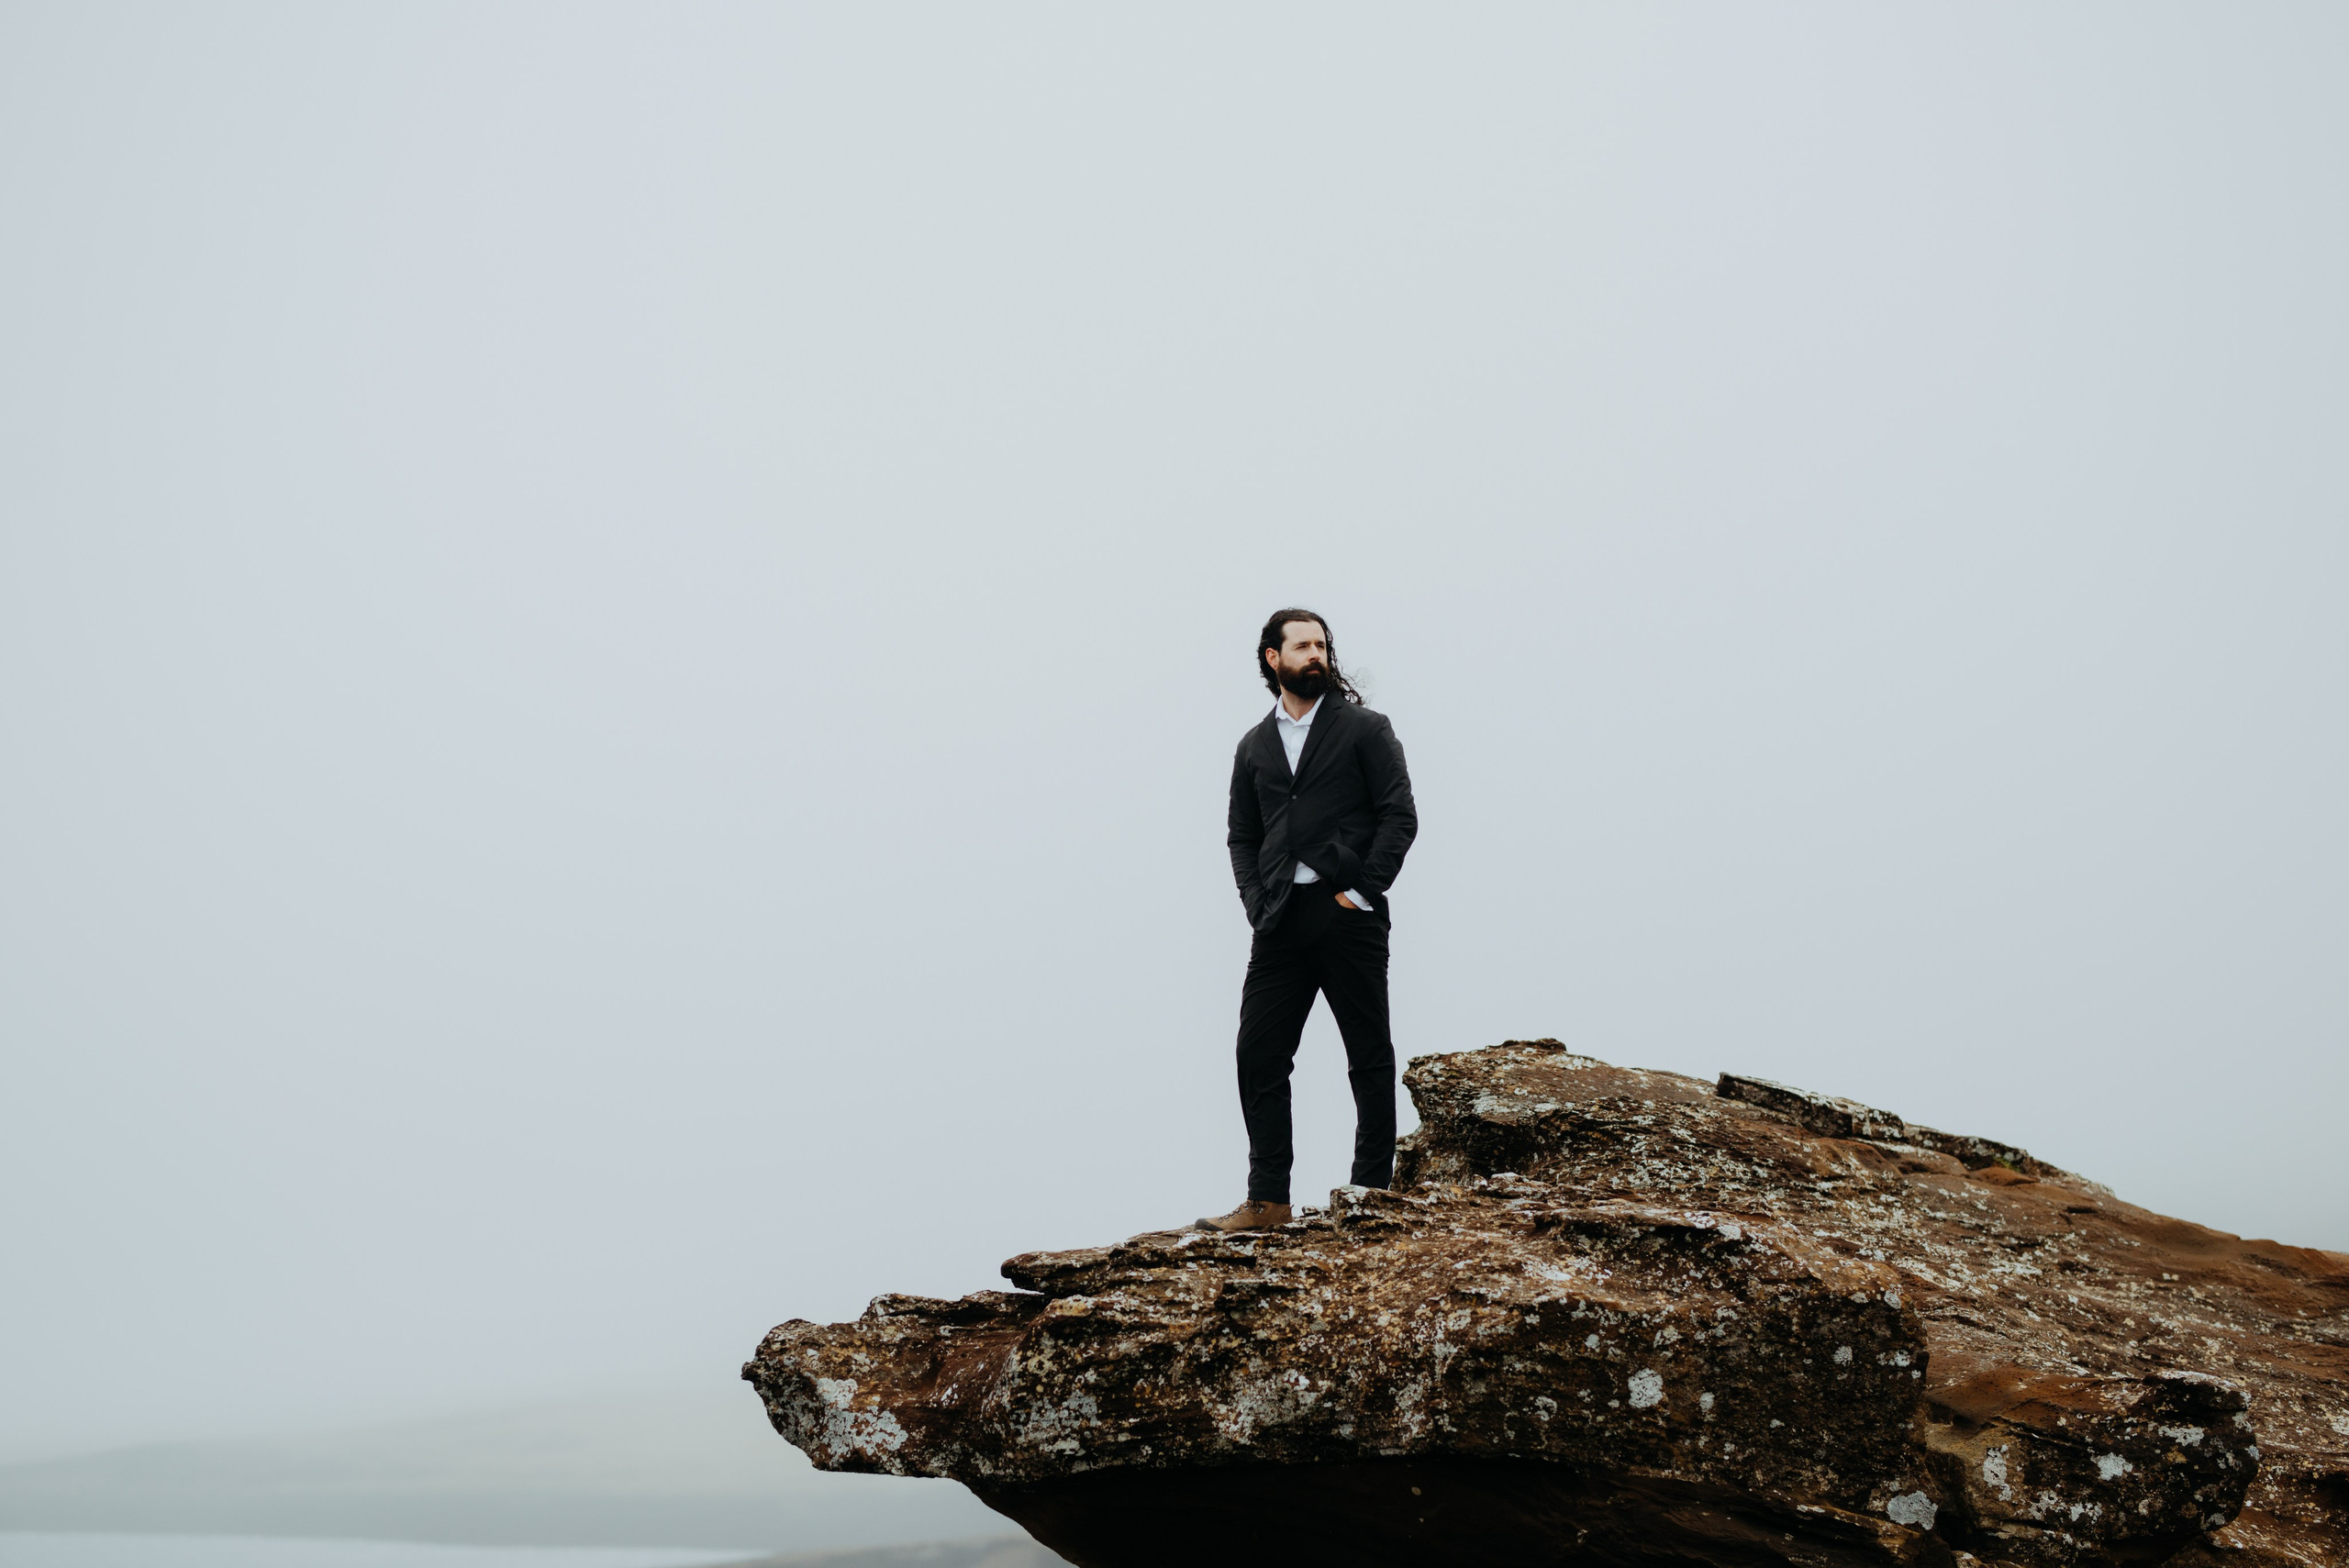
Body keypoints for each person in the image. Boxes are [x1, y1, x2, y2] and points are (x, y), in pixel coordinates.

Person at [1196, 609, 1419, 1232]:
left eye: (1321, 644)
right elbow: (1243, 836)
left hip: (1347, 914)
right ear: (1274, 658)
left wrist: (1361, 890)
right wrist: (1255, 902)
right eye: (1302, 645)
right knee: (1258, 1054)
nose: (1315, 654)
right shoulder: (1254, 745)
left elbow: (1400, 815)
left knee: (1367, 1054)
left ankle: (1371, 1194)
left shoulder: (1366, 729)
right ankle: (1267, 1200)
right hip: (1279, 921)